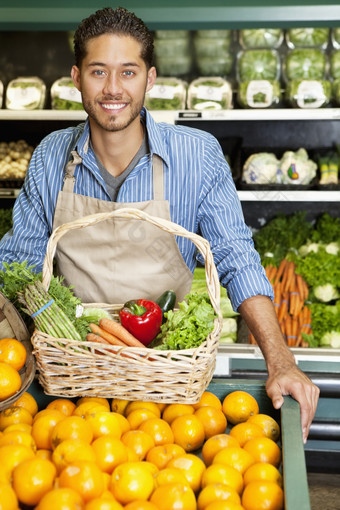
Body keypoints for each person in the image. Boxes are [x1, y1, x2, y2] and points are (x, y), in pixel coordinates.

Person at [0, 7, 319, 441]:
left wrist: (281, 362)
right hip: (73, 386)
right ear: (76, 77)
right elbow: (18, 266)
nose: (113, 89)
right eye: (98, 71)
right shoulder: (50, 156)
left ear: (150, 79)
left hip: (167, 386)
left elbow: (236, 257)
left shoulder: (198, 155)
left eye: (128, 72)